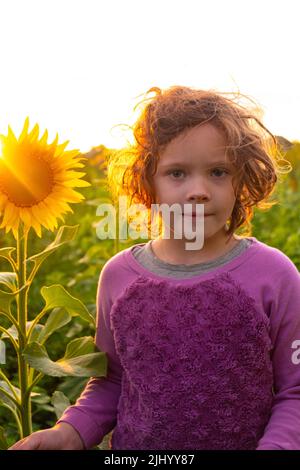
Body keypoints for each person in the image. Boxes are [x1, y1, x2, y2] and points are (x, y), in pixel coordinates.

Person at [9, 85, 300, 450]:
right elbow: (111, 381)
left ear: (241, 180)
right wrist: (68, 432)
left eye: (218, 172)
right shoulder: (119, 277)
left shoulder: (274, 275)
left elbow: (295, 392)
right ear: (147, 183)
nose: (199, 190)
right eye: (177, 173)